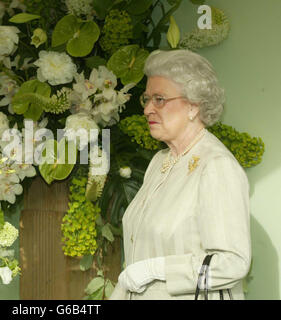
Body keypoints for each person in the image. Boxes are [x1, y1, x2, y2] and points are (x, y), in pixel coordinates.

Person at [110, 49, 251, 300]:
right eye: (147, 99)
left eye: (159, 99)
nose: (147, 110)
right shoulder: (159, 161)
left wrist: (157, 269)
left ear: (193, 107)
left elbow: (233, 262)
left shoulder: (216, 166)